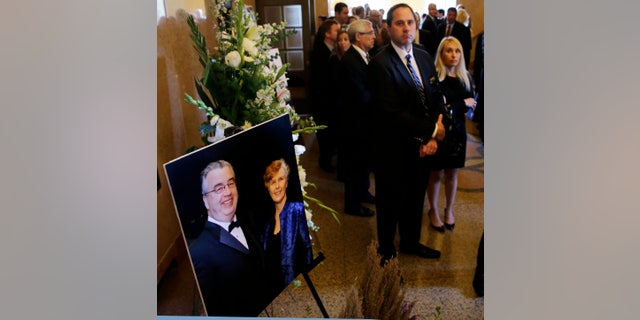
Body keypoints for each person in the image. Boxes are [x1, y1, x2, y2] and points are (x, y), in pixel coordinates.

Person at [367, 3, 445, 264]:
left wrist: (432, 137)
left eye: (410, 22)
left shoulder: (423, 56)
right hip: (393, 149)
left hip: (423, 148)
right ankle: (386, 255)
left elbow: (434, 96)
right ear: (388, 28)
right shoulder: (380, 63)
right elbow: (392, 113)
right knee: (390, 204)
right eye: (399, 23)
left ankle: (411, 242)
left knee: (415, 198)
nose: (406, 28)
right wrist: (432, 130)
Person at [189, 160, 268, 316]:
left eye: (230, 184)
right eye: (218, 188)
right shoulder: (199, 252)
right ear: (206, 200)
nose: (227, 192)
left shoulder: (248, 222)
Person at [426, 36, 476, 233]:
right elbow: (440, 109)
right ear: (441, 53)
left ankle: (449, 210)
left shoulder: (465, 77)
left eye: (457, 51)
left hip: (459, 133)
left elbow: (470, 106)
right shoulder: (435, 78)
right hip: (440, 132)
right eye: (449, 50)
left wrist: (453, 107)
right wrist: (461, 104)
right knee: (436, 174)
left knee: (453, 174)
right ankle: (434, 210)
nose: (453, 55)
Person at [337, 19, 377, 217]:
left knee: (363, 162)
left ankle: (363, 192)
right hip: (354, 123)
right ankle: (352, 205)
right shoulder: (350, 60)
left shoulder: (363, 56)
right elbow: (360, 94)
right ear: (358, 36)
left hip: (363, 122)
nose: (374, 36)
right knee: (355, 164)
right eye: (370, 33)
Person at [261, 159, 313, 294]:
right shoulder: (267, 226)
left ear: (287, 183)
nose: (277, 186)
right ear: (268, 188)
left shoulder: (297, 210)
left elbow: (308, 249)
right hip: (274, 292)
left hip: (296, 289)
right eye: (273, 182)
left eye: (281, 179)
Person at [309, 19, 340, 172]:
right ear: (327, 34)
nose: (339, 32)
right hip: (322, 101)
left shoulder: (330, 49)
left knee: (329, 132)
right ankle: (325, 162)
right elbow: (321, 81)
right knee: (325, 133)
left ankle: (328, 158)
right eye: (336, 30)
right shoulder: (320, 52)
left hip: (326, 100)